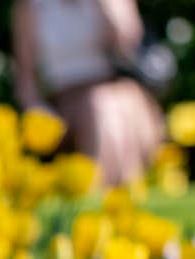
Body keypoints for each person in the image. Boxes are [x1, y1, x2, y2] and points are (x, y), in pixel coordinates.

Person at [13, 0, 166, 184]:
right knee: (98, 107)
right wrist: (37, 112)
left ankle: (107, 193)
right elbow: (25, 78)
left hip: (119, 92)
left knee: (104, 105)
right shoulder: (32, 6)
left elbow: (128, 50)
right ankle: (114, 192)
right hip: (65, 101)